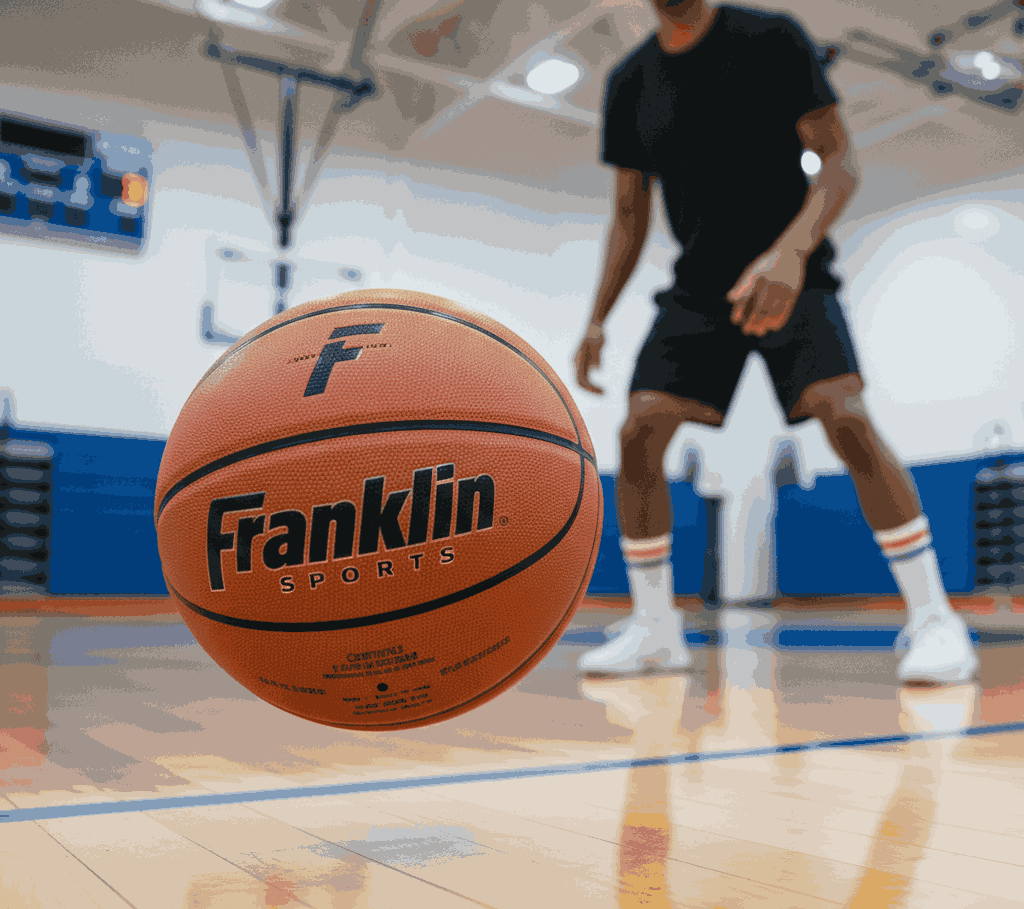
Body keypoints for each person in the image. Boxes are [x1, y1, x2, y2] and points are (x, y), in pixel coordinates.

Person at [574, 0, 978, 683]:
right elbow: (627, 213)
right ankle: (654, 628)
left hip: (797, 269)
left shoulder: (771, 38)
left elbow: (839, 162)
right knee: (640, 429)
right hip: (699, 289)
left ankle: (935, 616)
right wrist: (596, 318)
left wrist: (790, 254)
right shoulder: (630, 81)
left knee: (843, 414)